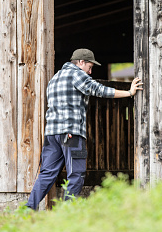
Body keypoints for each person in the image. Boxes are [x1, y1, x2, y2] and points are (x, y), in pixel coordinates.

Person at [25, 48, 143, 210]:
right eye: (90, 66)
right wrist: (129, 92)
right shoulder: (76, 74)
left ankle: (29, 208)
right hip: (71, 135)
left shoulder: (55, 78)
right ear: (81, 62)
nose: (90, 71)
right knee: (77, 173)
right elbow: (98, 90)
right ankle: (67, 212)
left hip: (52, 135)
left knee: (47, 173)